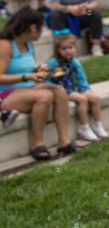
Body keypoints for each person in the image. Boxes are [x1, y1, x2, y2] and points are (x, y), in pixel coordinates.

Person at [0, 8, 75, 160]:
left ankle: (64, 141)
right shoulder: (5, 45)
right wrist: (25, 77)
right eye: (41, 28)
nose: (42, 32)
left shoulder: (28, 45)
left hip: (27, 89)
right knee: (45, 96)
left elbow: (25, 68)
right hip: (6, 94)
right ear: (33, 27)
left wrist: (38, 69)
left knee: (59, 91)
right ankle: (37, 144)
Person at [47, 32, 107, 142]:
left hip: (74, 87)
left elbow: (81, 78)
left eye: (70, 47)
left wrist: (87, 90)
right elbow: (49, 80)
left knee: (95, 98)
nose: (67, 51)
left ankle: (98, 125)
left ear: (75, 48)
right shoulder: (53, 63)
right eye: (63, 48)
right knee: (82, 99)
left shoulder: (75, 62)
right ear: (58, 50)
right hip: (62, 89)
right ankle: (84, 127)